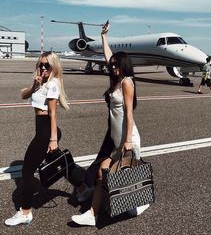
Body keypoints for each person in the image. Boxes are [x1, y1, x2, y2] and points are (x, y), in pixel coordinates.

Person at [71, 21, 149, 227]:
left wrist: (127, 142)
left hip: (127, 138)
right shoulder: (116, 79)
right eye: (112, 65)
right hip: (116, 138)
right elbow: (108, 57)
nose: (113, 67)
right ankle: (92, 214)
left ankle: (140, 202)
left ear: (124, 65)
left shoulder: (127, 82)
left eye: (116, 65)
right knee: (103, 172)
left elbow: (129, 114)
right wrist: (104, 36)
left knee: (128, 179)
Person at [5, 51, 69, 227]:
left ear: (54, 66)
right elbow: (23, 95)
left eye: (46, 65)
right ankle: (83, 187)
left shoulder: (53, 84)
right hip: (42, 131)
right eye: (40, 64)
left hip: (46, 132)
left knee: (26, 173)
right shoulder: (41, 82)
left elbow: (53, 113)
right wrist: (34, 85)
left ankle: (25, 212)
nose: (42, 68)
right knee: (59, 164)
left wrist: (53, 139)